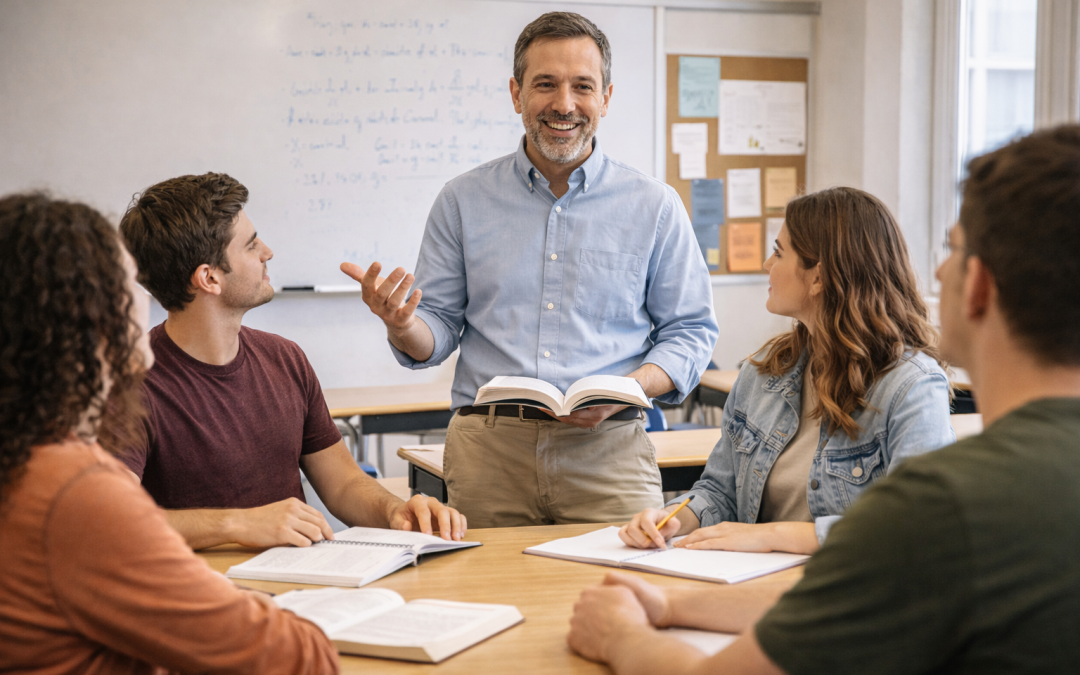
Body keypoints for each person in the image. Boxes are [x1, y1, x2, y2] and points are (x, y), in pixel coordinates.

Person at [567, 124, 1080, 674]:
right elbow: (856, 595)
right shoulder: (768, 373)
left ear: (978, 284)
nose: (935, 269)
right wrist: (672, 590)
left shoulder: (940, 500)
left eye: (952, 249)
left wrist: (621, 636)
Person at [343, 12, 718, 527]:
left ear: (606, 97)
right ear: (516, 93)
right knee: (484, 580)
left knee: (624, 576)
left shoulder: (654, 205)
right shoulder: (462, 200)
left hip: (609, 449)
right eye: (545, 84)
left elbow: (691, 331)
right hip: (488, 452)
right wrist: (402, 324)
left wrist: (626, 389)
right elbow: (437, 330)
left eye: (582, 86)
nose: (564, 104)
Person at [0, 193, 339, 673]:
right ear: (84, 325)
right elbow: (294, 656)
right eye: (127, 296)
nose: (146, 309)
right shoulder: (72, 490)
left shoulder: (25, 462)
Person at [118, 172, 465, 550]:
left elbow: (343, 484)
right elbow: (109, 517)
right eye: (251, 245)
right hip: (200, 582)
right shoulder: (129, 386)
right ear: (209, 278)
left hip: (297, 576)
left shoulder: (285, 358)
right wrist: (237, 523)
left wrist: (395, 511)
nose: (267, 252)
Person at [621, 187, 954, 555]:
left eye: (779, 252)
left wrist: (771, 536)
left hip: (845, 584)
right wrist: (671, 519)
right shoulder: (764, 372)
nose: (768, 264)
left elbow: (918, 524)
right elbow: (719, 491)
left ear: (818, 277)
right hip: (750, 580)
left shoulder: (912, 386)